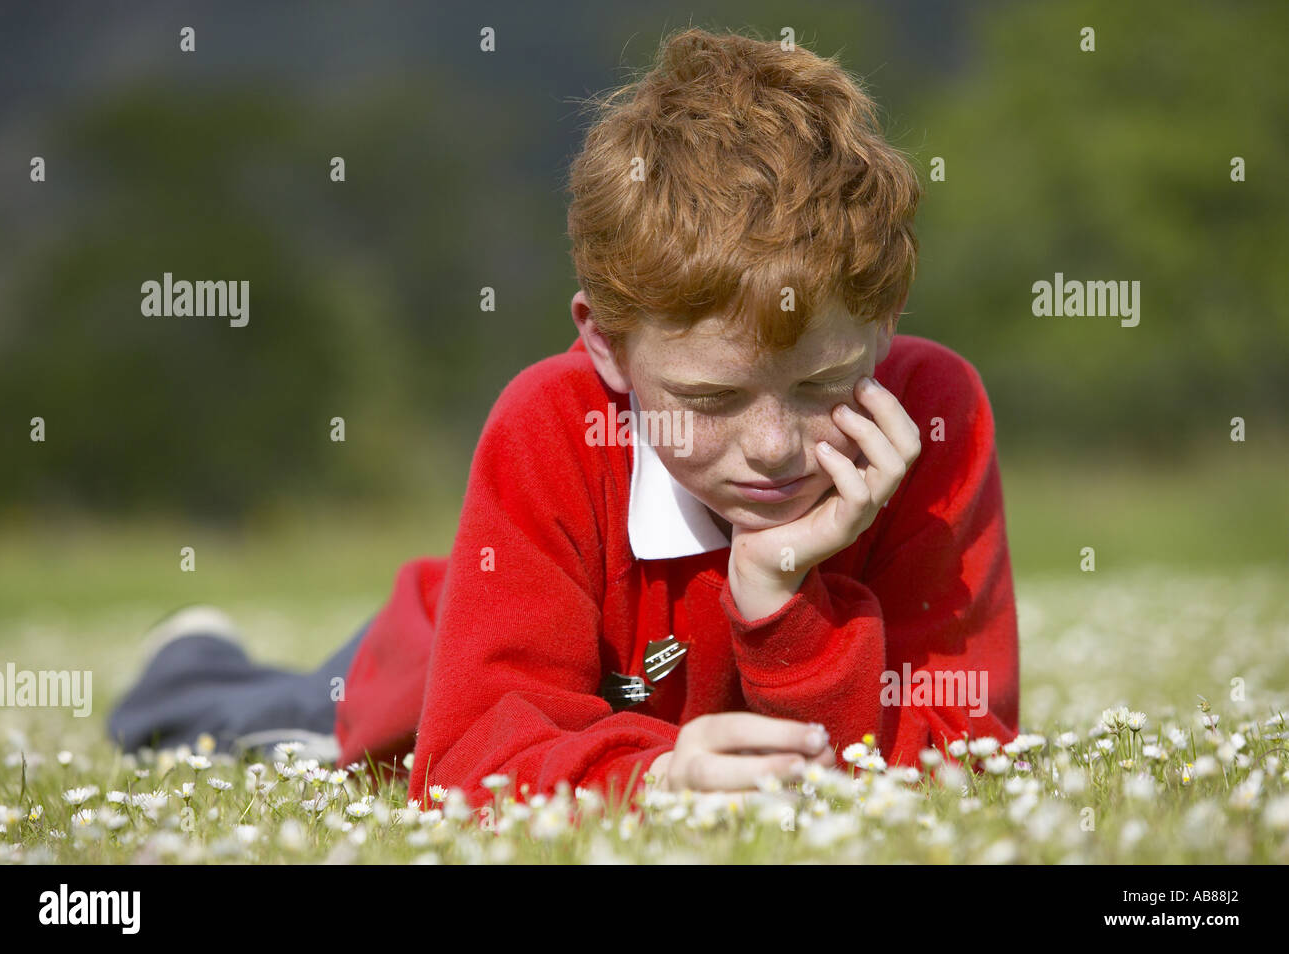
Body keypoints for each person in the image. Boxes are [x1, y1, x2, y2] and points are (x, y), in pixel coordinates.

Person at [109, 27, 1019, 814]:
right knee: (277, 728)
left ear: (885, 323)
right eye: (710, 399)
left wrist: (784, 602)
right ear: (609, 348)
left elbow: (966, 755)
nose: (775, 447)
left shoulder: (937, 414)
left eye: (823, 385)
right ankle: (188, 665)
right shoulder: (551, 421)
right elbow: (468, 764)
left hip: (577, 683)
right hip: (440, 653)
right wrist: (655, 779)